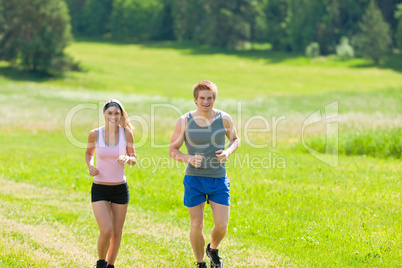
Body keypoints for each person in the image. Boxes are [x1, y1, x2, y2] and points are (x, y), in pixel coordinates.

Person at [169, 80, 239, 268]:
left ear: (214, 99)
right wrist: (189, 158)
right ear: (195, 99)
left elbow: (235, 139)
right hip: (194, 179)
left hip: (218, 178)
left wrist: (227, 152)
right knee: (196, 225)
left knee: (222, 225)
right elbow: (173, 150)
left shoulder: (224, 119)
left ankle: (213, 249)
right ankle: (200, 263)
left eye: (210, 98)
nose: (206, 102)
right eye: (202, 98)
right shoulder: (185, 121)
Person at [85, 99, 136, 268]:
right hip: (99, 188)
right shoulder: (95, 134)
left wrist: (127, 158)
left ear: (121, 115)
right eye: (110, 113)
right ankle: (101, 262)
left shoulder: (126, 134)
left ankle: (111, 265)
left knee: (116, 232)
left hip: (120, 189)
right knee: (106, 230)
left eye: (116, 113)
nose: (113, 116)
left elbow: (134, 159)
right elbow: (88, 153)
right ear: (104, 114)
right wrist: (90, 165)